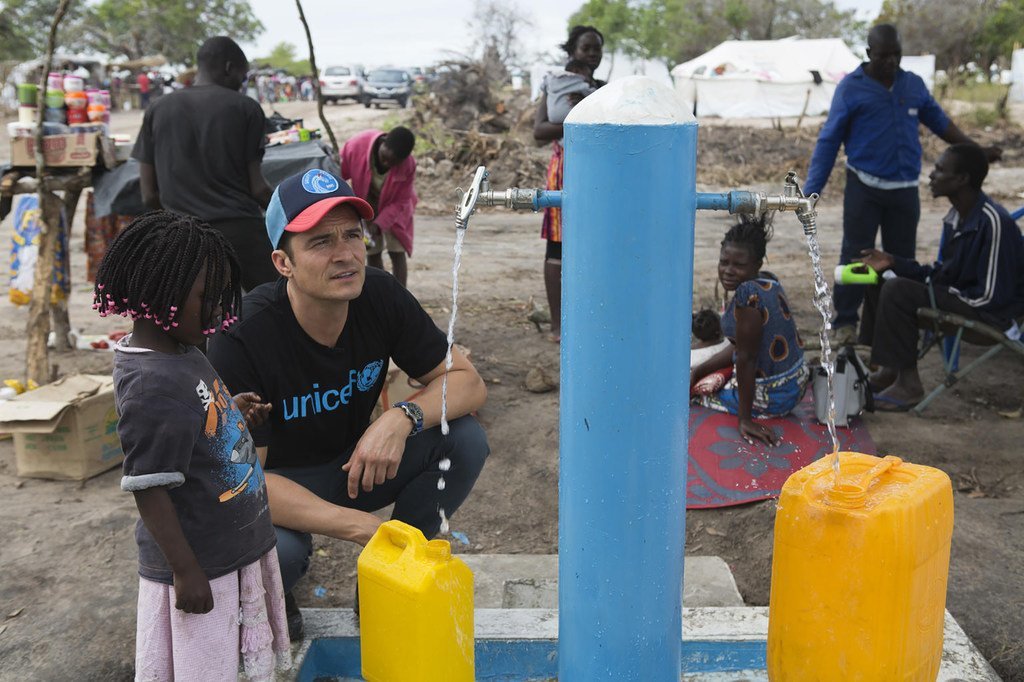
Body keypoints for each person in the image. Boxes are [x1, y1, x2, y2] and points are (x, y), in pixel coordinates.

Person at [207, 169, 490, 640]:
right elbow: (242, 483)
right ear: (283, 262)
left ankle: (388, 579)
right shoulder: (243, 336)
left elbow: (468, 383)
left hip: (352, 467)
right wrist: (363, 529)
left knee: (463, 440)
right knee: (280, 552)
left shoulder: (379, 294)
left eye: (352, 235)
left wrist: (403, 416)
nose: (345, 255)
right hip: (278, 483)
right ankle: (276, 597)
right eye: (320, 242)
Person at [97, 212, 291, 679]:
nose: (216, 313)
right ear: (156, 293)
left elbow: (194, 422)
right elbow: (150, 488)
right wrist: (186, 571)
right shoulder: (151, 387)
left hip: (230, 547)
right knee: (206, 667)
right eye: (206, 298)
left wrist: (231, 412)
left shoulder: (182, 351)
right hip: (203, 562)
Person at [804, 23, 1002, 347]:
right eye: (883, 56)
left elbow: (941, 123)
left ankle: (893, 321)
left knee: (900, 259)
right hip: (864, 187)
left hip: (905, 191)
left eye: (896, 54)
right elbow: (829, 141)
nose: (891, 62)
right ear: (869, 54)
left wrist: (977, 151)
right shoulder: (850, 89)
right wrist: (813, 190)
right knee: (857, 256)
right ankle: (845, 323)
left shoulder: (913, 85)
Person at [857, 144, 1024, 411]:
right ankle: (888, 368)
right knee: (881, 277)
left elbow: (992, 298)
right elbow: (943, 274)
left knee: (899, 290)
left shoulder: (992, 222)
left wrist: (936, 294)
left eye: (939, 170)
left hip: (991, 315)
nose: (931, 176)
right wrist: (893, 262)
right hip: (966, 300)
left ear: (962, 179)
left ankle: (909, 385)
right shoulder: (957, 217)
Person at [132, 36, 278, 291]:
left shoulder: (158, 109)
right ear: (229, 67)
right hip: (240, 231)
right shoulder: (246, 107)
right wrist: (287, 214)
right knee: (277, 304)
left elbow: (148, 195)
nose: (241, 84)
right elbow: (258, 189)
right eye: (242, 77)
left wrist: (177, 220)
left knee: (193, 319)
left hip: (181, 236)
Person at [690, 218, 809, 446]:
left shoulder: (747, 296)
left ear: (756, 263)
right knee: (699, 373)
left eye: (739, 265)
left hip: (776, 396)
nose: (728, 271)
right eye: (724, 262)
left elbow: (746, 358)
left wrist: (745, 419)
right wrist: (700, 370)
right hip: (797, 380)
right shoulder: (768, 280)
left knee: (695, 391)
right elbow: (739, 347)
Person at [533, 25, 605, 342]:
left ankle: (589, 317)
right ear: (572, 51)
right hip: (564, 171)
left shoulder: (605, 88)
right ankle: (557, 326)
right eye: (586, 48)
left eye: (597, 49)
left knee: (595, 246)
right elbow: (539, 131)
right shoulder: (556, 86)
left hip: (600, 173)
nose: (592, 54)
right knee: (558, 247)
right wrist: (579, 111)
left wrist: (593, 100)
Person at [339, 127, 418, 288]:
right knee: (372, 251)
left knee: (397, 250)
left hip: (396, 209)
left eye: (393, 163)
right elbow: (339, 176)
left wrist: (378, 225)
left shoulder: (408, 165)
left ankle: (400, 296)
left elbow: (401, 201)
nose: (387, 164)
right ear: (382, 142)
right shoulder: (356, 146)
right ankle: (380, 293)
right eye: (384, 158)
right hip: (368, 204)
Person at [545, 59, 595, 124]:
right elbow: (593, 94)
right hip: (568, 117)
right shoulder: (578, 82)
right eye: (588, 75)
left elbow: (543, 85)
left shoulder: (552, 80)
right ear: (577, 71)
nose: (589, 79)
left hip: (551, 118)